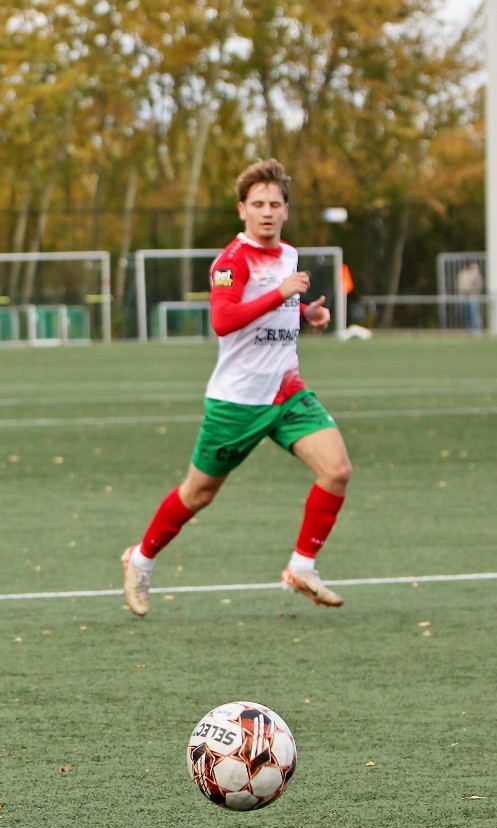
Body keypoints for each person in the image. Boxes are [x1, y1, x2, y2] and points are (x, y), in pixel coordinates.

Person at [121, 158, 352, 616]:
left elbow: (274, 308)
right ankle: (140, 559)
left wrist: (305, 313)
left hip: (287, 392)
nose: (267, 212)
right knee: (198, 493)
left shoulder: (288, 255)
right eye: (258, 204)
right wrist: (283, 294)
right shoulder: (231, 261)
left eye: (275, 204)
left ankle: (301, 566)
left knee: (337, 470)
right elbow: (224, 320)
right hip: (237, 402)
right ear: (242, 209)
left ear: (286, 211)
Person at [457, 260, 483, 333]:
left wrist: (475, 270)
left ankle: (478, 330)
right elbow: (460, 284)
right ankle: (469, 330)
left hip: (473, 296)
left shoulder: (475, 273)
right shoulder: (462, 273)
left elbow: (479, 283)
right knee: (467, 315)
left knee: (475, 314)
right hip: (465, 297)